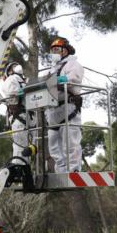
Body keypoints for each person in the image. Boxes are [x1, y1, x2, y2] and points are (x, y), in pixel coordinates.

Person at [45, 37, 84, 173]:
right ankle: (61, 171)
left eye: (57, 49)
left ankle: (73, 170)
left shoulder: (73, 64)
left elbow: (73, 79)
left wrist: (59, 80)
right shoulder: (52, 69)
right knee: (53, 144)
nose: (54, 52)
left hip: (69, 107)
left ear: (65, 51)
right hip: (53, 110)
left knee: (70, 142)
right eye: (53, 50)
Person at [0, 62, 30, 163]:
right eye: (13, 67)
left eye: (16, 66)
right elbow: (12, 92)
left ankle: (24, 170)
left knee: (25, 149)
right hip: (20, 118)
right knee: (20, 148)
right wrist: (24, 90)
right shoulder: (11, 79)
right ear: (9, 72)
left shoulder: (22, 81)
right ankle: (19, 171)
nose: (16, 68)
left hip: (27, 117)